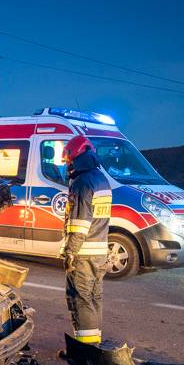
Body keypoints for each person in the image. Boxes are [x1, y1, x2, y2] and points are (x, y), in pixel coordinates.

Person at [60, 135, 112, 345]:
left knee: (80, 299)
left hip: (83, 254)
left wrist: (70, 253)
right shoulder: (101, 180)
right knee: (94, 298)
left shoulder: (81, 183)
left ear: (75, 158)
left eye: (68, 161)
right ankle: (94, 343)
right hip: (99, 252)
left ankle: (86, 349)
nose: (67, 166)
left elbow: (79, 224)